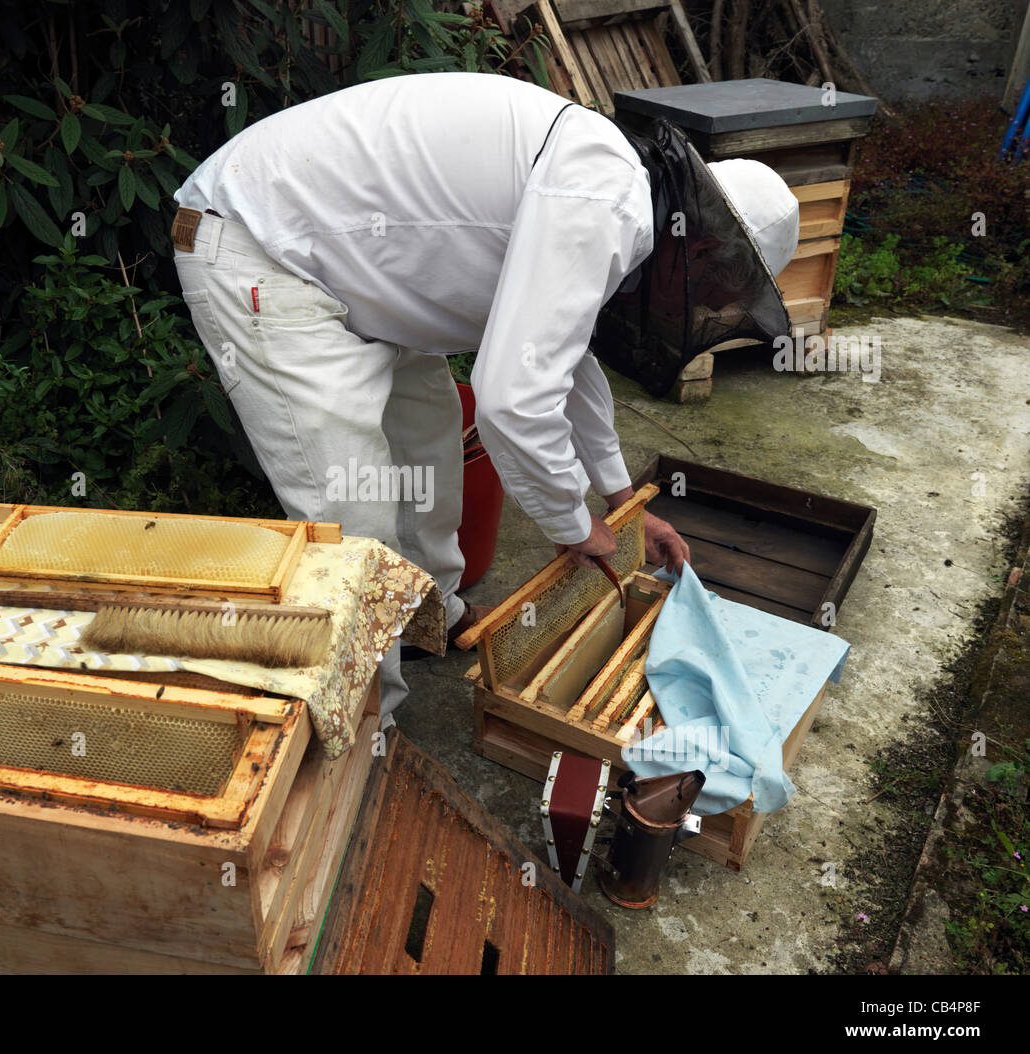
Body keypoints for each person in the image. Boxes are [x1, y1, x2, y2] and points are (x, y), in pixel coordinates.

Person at [172, 72, 799, 723]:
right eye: (720, 292)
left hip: (362, 266)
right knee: (351, 512)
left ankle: (425, 613)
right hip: (263, 242)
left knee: (430, 437)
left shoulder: (615, 196)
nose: (707, 308)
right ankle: (366, 727)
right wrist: (570, 522)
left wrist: (619, 504)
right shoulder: (606, 198)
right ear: (702, 249)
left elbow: (562, 356)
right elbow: (511, 401)